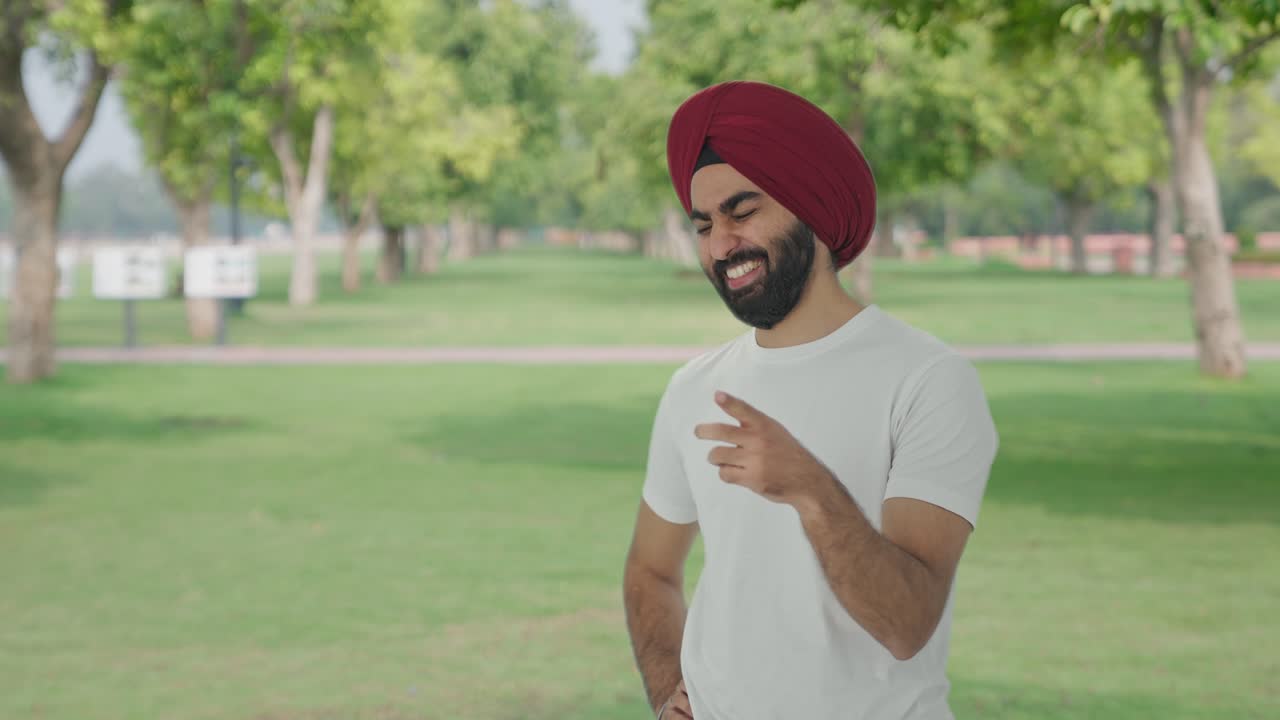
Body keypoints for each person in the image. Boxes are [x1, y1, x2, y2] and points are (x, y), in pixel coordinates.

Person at [622, 80, 1000, 720]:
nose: (720, 245)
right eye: (705, 224)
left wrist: (811, 489)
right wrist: (667, 693)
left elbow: (907, 624)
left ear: (812, 208)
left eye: (742, 212)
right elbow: (650, 571)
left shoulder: (929, 380)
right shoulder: (694, 388)